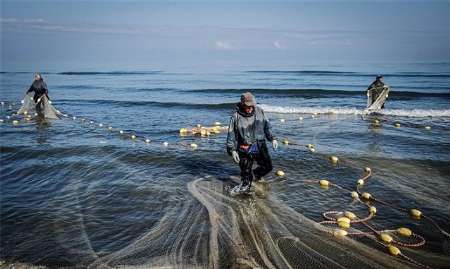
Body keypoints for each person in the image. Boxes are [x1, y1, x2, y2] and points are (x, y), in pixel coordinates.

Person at [226, 92, 278, 194]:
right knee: (246, 181)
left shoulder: (260, 112)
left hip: (259, 144)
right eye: (247, 106)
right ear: (242, 104)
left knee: (268, 167)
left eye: (252, 105)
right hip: (244, 147)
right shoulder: (235, 117)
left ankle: (256, 175)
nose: (250, 108)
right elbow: (231, 135)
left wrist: (272, 139)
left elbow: (267, 127)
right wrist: (232, 151)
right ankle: (244, 198)